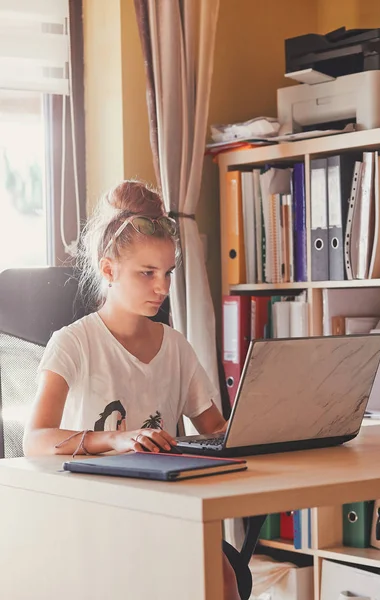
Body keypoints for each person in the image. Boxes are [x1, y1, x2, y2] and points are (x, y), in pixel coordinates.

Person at [23, 179, 240, 600]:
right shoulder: (74, 343)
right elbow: (35, 439)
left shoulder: (175, 346)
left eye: (168, 272)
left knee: (222, 579)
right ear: (108, 270)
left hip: (165, 507)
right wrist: (116, 439)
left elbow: (215, 429)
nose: (162, 287)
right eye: (147, 273)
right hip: (94, 516)